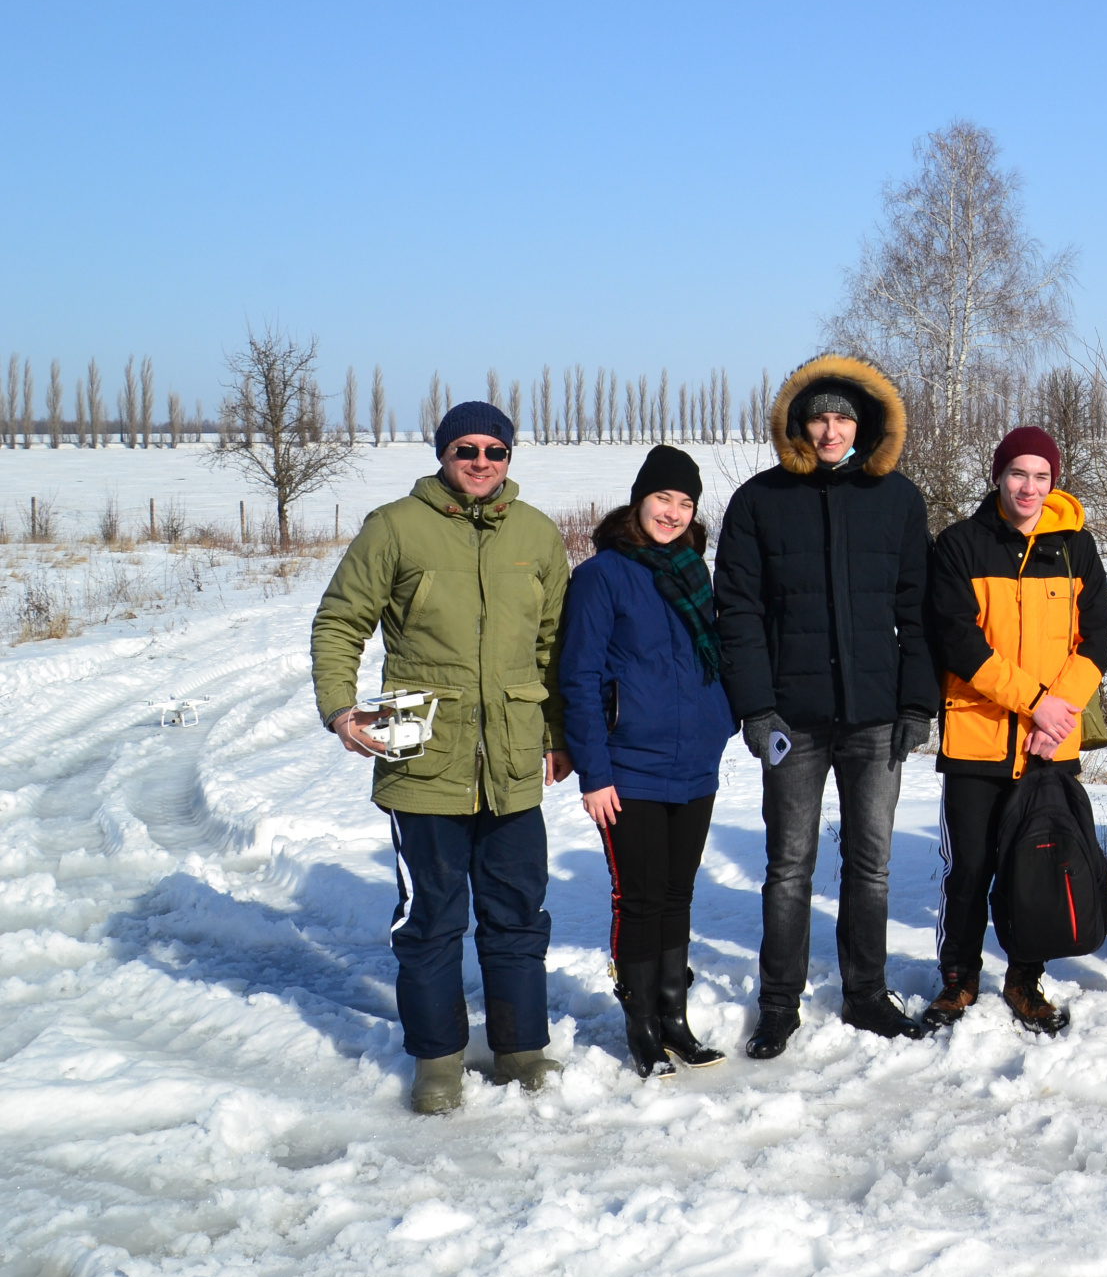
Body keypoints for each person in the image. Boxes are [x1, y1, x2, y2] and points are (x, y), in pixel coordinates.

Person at [311, 400, 570, 1114]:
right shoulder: (396, 527)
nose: (481, 462)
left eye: (494, 450)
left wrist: (559, 734)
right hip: (425, 764)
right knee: (429, 918)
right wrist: (339, 707)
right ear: (443, 454)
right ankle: (438, 1059)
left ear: (509, 457)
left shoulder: (537, 534)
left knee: (518, 913)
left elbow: (555, 645)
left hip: (513, 763)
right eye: (467, 449)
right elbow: (340, 620)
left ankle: (521, 1048)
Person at [715, 356, 938, 1055]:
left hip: (876, 718)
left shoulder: (898, 499)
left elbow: (917, 611)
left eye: (843, 416)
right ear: (798, 424)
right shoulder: (759, 501)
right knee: (789, 866)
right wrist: (756, 709)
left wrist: (915, 705)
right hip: (793, 720)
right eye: (819, 416)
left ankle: (865, 994)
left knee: (870, 865)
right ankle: (779, 1002)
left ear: (863, 424)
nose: (831, 428)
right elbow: (739, 612)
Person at [923, 424, 1107, 1035]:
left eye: (1041, 476)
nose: (1029, 487)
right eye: (1018, 474)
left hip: (1048, 746)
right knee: (970, 868)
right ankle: (959, 978)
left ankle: (1024, 977)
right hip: (978, 737)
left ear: (1054, 482)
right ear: (997, 475)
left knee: (1037, 863)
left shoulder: (1076, 547)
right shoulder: (959, 544)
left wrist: (1057, 715)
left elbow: (1096, 643)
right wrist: (1037, 703)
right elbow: (959, 641)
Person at [559, 445, 738, 1078]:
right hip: (628, 768)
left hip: (693, 764)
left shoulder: (695, 571)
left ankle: (675, 1019)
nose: (673, 512)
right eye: (663, 498)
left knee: (677, 893)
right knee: (637, 898)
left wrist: (722, 723)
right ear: (639, 501)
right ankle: (639, 1026)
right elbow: (578, 678)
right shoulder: (602, 575)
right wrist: (595, 773)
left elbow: (710, 660)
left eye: (686, 503)